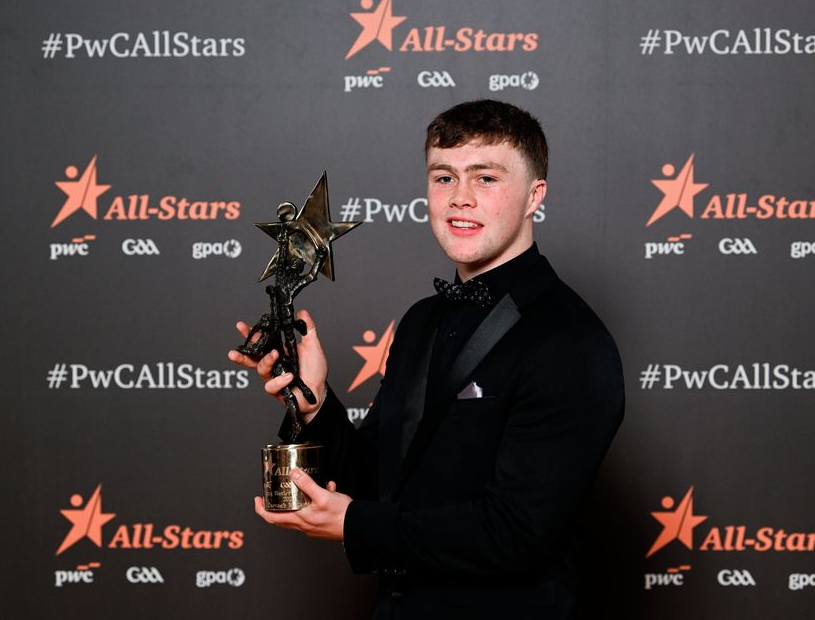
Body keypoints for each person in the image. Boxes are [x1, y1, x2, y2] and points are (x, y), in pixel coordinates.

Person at [228, 99, 624, 619]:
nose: (460, 199)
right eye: (443, 178)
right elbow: (380, 482)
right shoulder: (422, 320)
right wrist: (315, 402)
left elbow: (516, 534)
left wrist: (354, 526)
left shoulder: (571, 340)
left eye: (485, 179)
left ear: (535, 197)